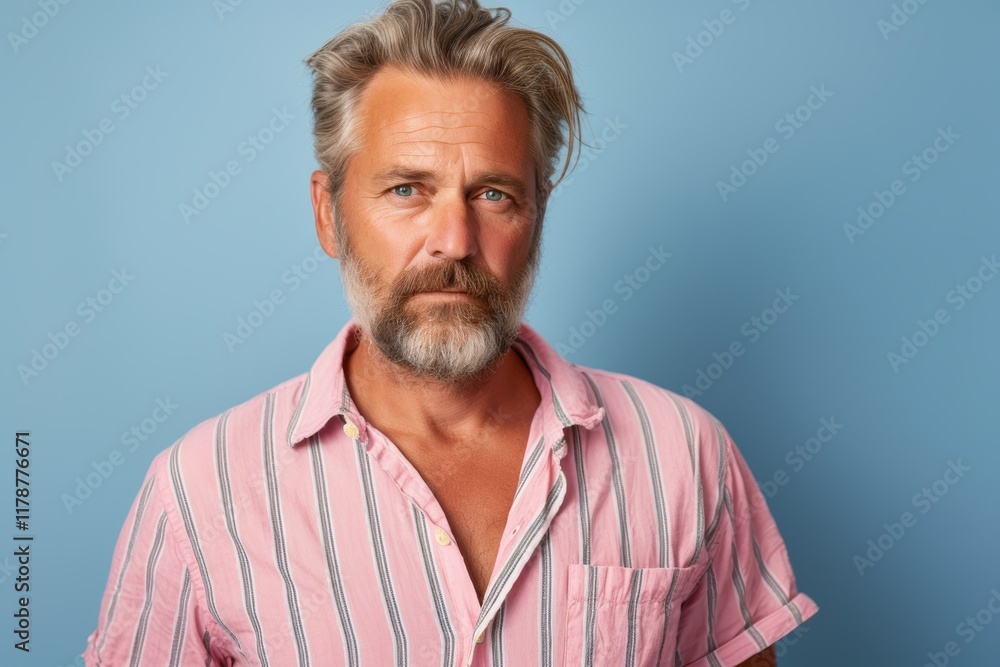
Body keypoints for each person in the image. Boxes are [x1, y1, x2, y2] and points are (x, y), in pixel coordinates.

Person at [83, 1, 818, 664]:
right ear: (328, 214)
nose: (455, 240)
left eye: (493, 193)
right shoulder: (197, 492)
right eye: (407, 189)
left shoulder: (684, 454)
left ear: (535, 217)